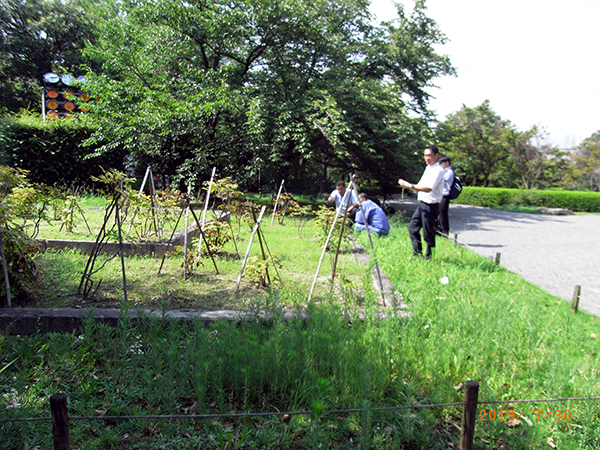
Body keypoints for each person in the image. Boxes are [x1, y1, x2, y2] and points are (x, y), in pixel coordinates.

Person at [398, 145, 445, 259]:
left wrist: (409, 185)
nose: (427, 158)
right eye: (425, 155)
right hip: (423, 203)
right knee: (412, 228)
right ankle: (417, 253)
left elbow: (429, 188)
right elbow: (420, 185)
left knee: (428, 233)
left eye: (429, 155)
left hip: (431, 204)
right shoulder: (428, 168)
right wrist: (409, 186)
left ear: (436, 156)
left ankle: (429, 257)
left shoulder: (438, 170)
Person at [437, 155, 454, 237]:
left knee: (443, 214)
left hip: (445, 196)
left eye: (442, 163)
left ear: (447, 163)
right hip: (440, 196)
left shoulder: (449, 172)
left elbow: (441, 180)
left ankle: (445, 232)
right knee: (438, 213)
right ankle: (438, 230)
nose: (441, 165)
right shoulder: (443, 171)